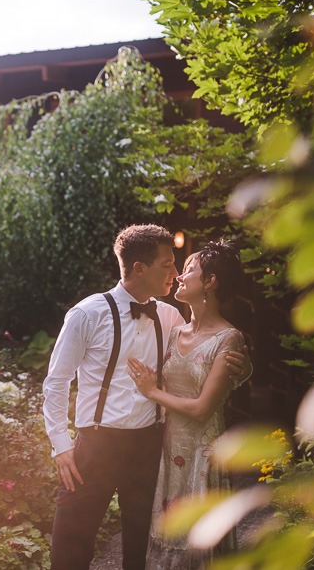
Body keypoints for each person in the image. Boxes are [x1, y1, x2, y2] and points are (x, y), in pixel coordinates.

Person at [42, 225, 250, 570]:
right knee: (71, 542)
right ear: (140, 268)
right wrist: (61, 445)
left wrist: (239, 367)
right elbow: (56, 382)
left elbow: (199, 356)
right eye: (167, 264)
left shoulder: (170, 316)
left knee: (142, 544)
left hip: (150, 446)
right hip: (96, 445)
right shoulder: (86, 314)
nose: (176, 272)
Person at [127, 240, 249, 568]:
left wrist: (152, 391)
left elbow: (201, 409)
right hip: (171, 450)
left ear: (210, 282)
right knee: (168, 535)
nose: (179, 276)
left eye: (190, 270)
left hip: (203, 454)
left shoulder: (229, 339)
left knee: (197, 543)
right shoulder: (174, 332)